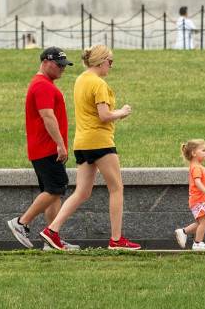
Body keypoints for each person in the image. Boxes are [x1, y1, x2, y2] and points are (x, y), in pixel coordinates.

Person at [39, 45, 140, 251]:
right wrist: (122, 112)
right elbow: (104, 115)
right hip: (100, 141)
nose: (111, 66)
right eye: (110, 62)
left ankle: (52, 229)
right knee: (116, 188)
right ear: (101, 61)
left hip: (82, 143)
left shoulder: (81, 80)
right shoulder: (98, 83)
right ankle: (116, 239)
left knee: (82, 192)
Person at [7, 47, 78, 250]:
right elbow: (48, 116)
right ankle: (21, 223)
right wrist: (60, 144)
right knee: (57, 187)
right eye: (59, 65)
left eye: (64, 65)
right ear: (46, 62)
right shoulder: (42, 86)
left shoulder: (43, 84)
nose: (62, 69)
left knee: (53, 192)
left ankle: (52, 237)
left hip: (44, 148)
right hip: (47, 148)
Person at [174, 139, 205, 251]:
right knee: (204, 221)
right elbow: (197, 182)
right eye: (203, 150)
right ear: (193, 153)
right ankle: (197, 243)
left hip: (200, 199)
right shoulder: (196, 167)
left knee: (201, 222)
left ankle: (183, 232)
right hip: (199, 199)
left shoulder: (197, 166)